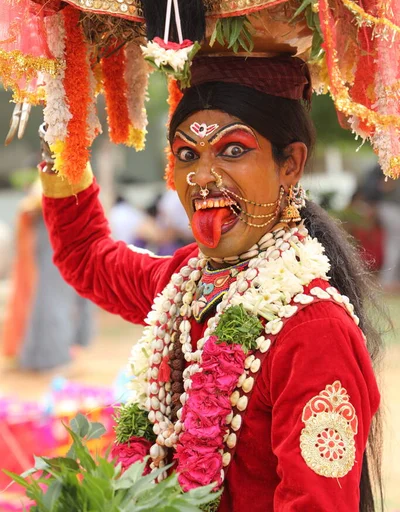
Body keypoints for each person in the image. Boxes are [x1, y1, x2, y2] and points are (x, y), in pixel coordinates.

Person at [38, 56, 382, 511]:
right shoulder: (183, 284)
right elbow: (88, 259)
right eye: (187, 155)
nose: (202, 178)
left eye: (233, 150)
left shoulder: (314, 331)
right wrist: (66, 148)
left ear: (291, 165)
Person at [2, 180, 94, 371]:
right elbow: (31, 205)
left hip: (62, 248)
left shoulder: (71, 177)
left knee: (56, 305)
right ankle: (38, 358)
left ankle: (55, 357)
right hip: (48, 249)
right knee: (45, 305)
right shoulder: (47, 180)